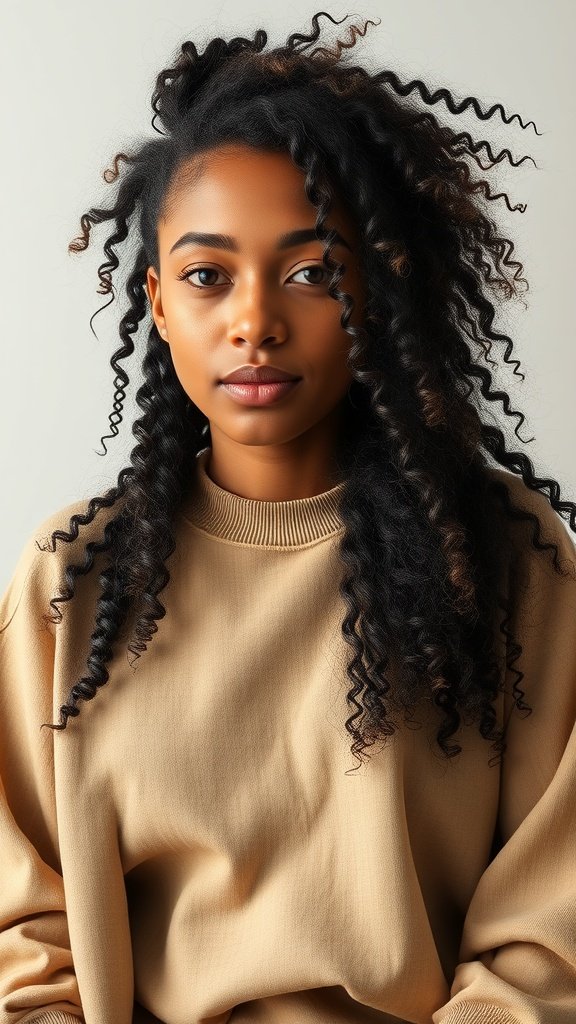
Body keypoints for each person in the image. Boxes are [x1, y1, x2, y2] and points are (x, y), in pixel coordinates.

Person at [1, 11, 575, 1024]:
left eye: (312, 271)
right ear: (160, 303)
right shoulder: (73, 579)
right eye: (207, 276)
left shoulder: (507, 563)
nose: (255, 319)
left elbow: (549, 936)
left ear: (380, 284)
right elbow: (19, 936)